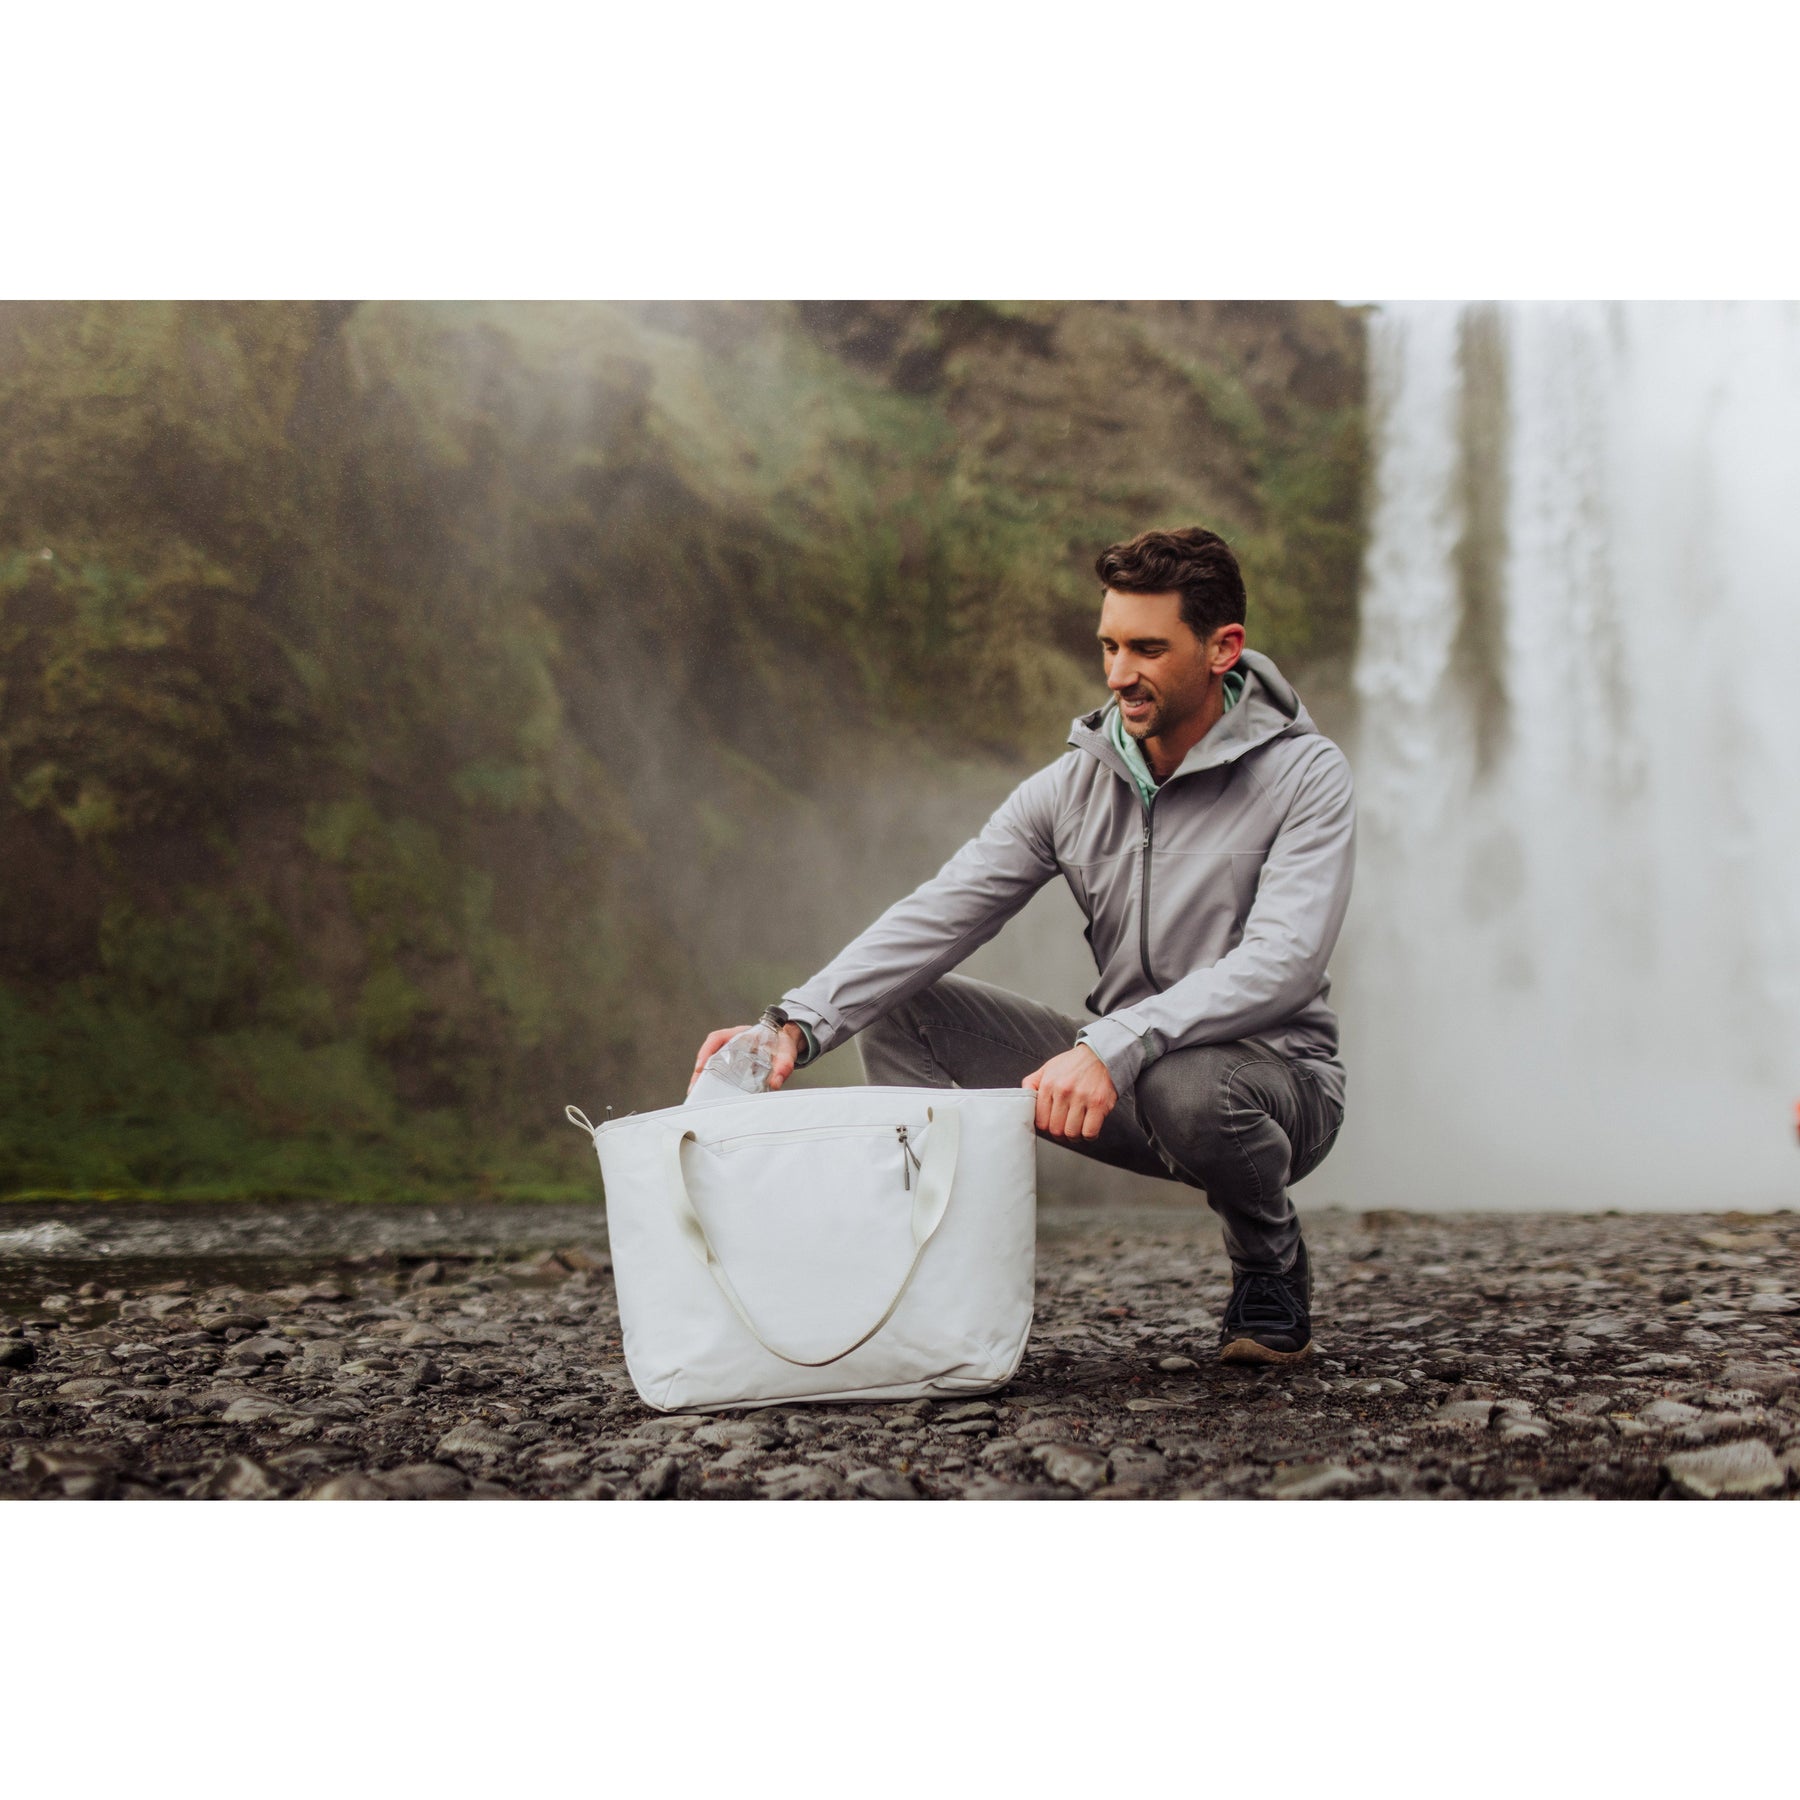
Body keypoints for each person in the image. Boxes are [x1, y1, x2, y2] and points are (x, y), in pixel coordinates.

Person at [691, 526, 1355, 1364]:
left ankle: (1268, 1267)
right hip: (1119, 1080)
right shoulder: (1071, 787)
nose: (1118, 674)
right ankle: (925, 1279)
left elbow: (1284, 962)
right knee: (901, 1011)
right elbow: (940, 914)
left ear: (1223, 648)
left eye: (1148, 649)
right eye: (1110, 646)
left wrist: (1114, 1043)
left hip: (1271, 1088)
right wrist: (794, 1022)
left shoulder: (1306, 775)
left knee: (1187, 1085)